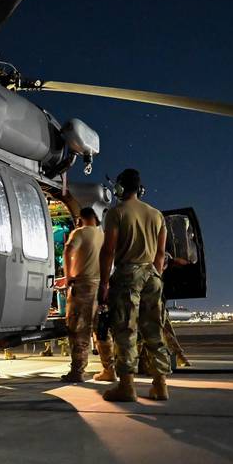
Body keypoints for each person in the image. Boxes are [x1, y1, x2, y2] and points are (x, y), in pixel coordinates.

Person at [99, 168, 174, 401]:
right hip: (152, 275)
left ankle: (127, 386)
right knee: (154, 330)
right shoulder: (157, 215)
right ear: (140, 189)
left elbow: (109, 250)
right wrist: (156, 275)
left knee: (125, 330)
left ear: (120, 188)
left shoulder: (116, 213)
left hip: (128, 275)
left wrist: (103, 283)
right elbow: (161, 253)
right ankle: (160, 385)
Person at [55, 206, 104, 382]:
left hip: (83, 285)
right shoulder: (102, 235)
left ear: (81, 218)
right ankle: (109, 368)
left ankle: (77, 371)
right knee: (101, 330)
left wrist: (68, 278)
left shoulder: (79, 233)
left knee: (78, 330)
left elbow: (68, 251)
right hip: (100, 285)